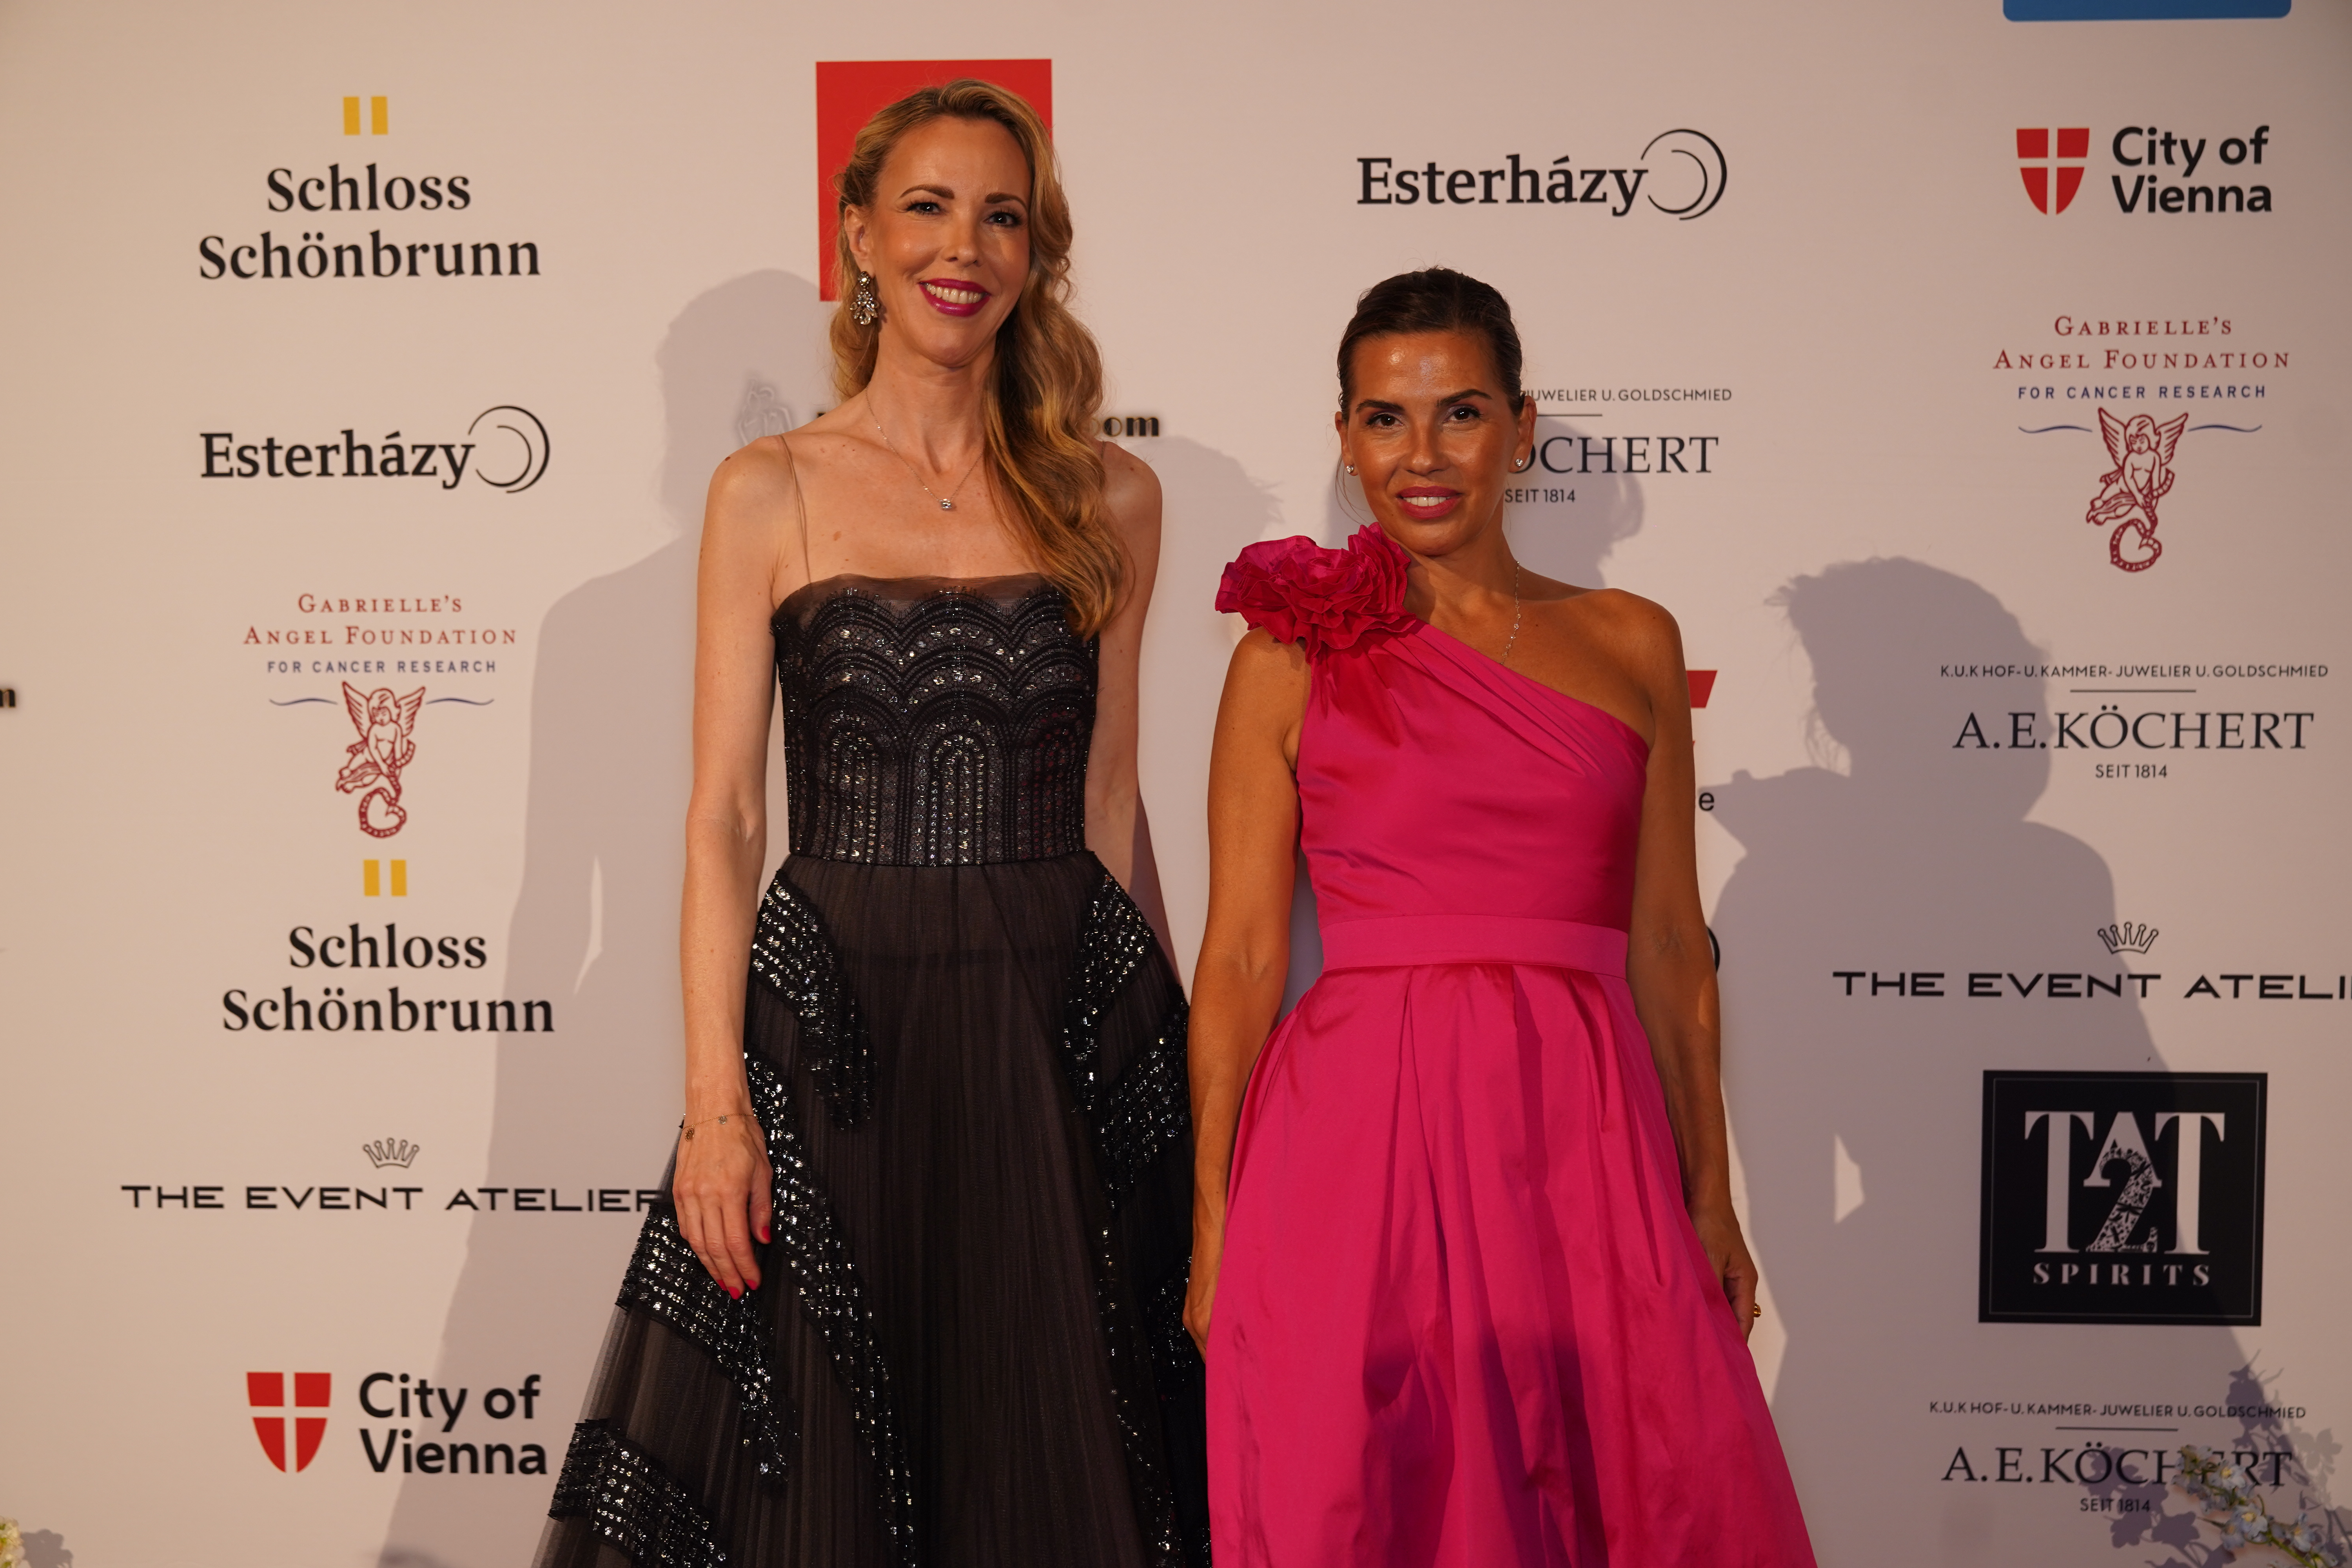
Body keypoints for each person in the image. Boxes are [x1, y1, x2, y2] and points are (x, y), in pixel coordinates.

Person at [539, 80, 1208, 1568]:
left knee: (1059, 1447)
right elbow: (725, 817)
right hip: (837, 1033)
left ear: (1036, 252)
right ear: (858, 235)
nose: (963, 246)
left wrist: (1164, 1076)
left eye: (1001, 215)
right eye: (926, 206)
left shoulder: (1115, 497)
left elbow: (1111, 798)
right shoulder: (768, 488)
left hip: (1054, 1021)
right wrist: (716, 1106)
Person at [1186, 268, 1815, 1566]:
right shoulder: (1288, 655)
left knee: (1647, 1483)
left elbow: (1669, 946)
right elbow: (1243, 957)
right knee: (1373, 1498)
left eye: (1460, 413)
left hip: (1582, 1136)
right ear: (1345, 437)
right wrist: (1211, 1218)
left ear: (1522, 428)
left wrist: (1711, 1193)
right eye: (1385, 418)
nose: (1421, 455)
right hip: (1359, 1141)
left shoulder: (1632, 641)